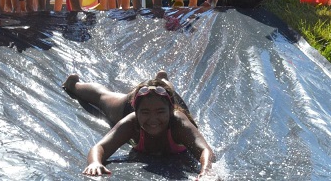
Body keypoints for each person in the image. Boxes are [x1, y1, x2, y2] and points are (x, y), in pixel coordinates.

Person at [63, 71, 216, 178]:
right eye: (145, 113)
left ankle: (162, 81)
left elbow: (205, 150)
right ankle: (74, 85)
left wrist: (206, 172)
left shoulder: (178, 122)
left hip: (168, 100)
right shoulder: (131, 121)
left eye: (160, 112)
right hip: (132, 103)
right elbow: (100, 147)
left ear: (170, 111)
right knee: (103, 98)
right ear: (135, 111)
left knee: (166, 94)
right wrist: (95, 162)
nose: (153, 119)